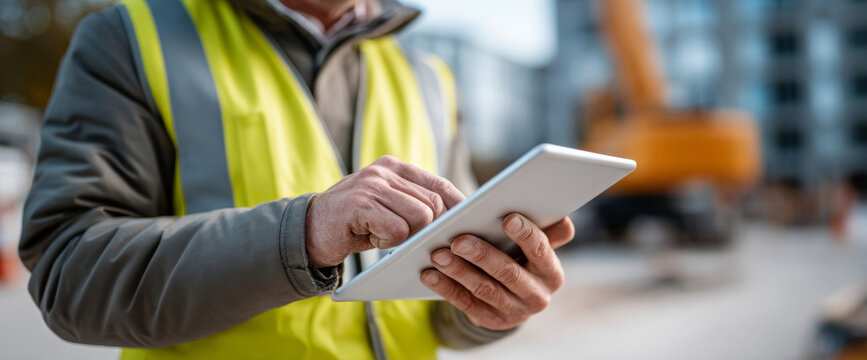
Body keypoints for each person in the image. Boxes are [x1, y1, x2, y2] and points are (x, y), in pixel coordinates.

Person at [19, 0, 575, 358]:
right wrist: (303, 233)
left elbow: (442, 316)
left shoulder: (427, 75)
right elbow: (70, 278)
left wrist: (492, 303)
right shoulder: (131, 39)